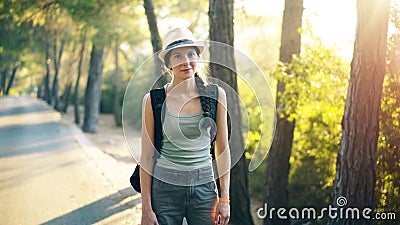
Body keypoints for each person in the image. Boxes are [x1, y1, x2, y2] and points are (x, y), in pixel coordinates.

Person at [139, 27, 231, 225]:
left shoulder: (216, 96)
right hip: (165, 189)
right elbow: (146, 156)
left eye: (190, 54)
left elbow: (222, 149)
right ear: (168, 64)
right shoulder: (153, 100)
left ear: (198, 58)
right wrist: (146, 208)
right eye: (178, 56)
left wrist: (224, 198)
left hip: (204, 188)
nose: (186, 61)